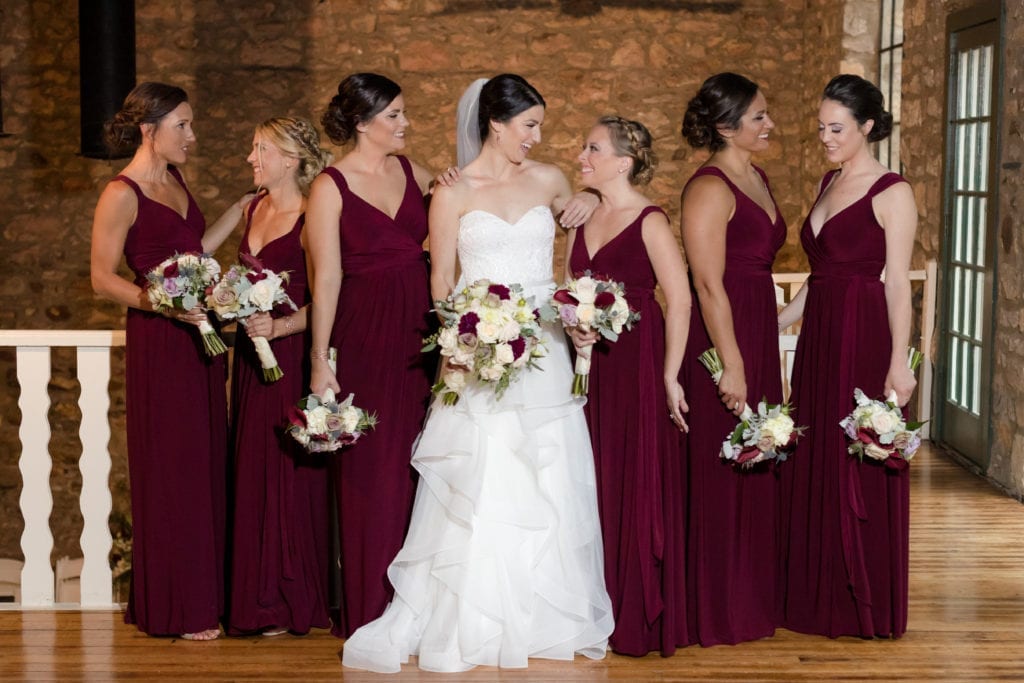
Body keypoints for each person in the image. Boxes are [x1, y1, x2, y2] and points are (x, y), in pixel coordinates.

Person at [342, 74, 613, 673]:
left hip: (543, 345)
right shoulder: (453, 190)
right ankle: (471, 616)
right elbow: (441, 281)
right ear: (496, 123)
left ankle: (545, 614)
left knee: (545, 473)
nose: (538, 138)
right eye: (529, 125)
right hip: (479, 352)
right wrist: (458, 346)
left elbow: (573, 256)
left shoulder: (551, 182)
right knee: (482, 475)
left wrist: (590, 200)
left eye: (539, 124)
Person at [90, 82, 248, 640]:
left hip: (200, 339)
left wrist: (239, 209)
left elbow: (193, 253)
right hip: (161, 341)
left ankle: (205, 596)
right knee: (174, 469)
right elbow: (102, 277)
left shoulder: (176, 179)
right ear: (148, 129)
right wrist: (164, 303)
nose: (192, 136)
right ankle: (179, 609)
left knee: (205, 462)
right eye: (182, 125)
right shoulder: (122, 193)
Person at [778, 75, 917, 639]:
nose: (826, 138)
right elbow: (820, 275)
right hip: (819, 341)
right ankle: (812, 591)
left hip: (863, 336)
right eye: (821, 128)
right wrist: (775, 321)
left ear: (866, 126)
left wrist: (899, 364)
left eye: (837, 129)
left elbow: (898, 286)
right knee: (814, 452)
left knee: (854, 459)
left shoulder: (893, 191)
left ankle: (858, 597)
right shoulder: (827, 180)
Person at [305, 73, 438, 638]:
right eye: (394, 115)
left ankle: (420, 612)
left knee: (419, 468)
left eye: (403, 113)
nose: (405, 124)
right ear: (361, 123)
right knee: (371, 477)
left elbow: (469, 205)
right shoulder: (329, 186)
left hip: (420, 336)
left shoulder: (415, 172)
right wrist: (319, 356)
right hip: (363, 335)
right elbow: (326, 276)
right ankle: (370, 614)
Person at [565, 115, 692, 656]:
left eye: (593, 148)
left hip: (636, 361)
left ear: (624, 161)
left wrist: (669, 375)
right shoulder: (580, 215)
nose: (581, 156)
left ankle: (634, 605)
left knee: (631, 472)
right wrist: (573, 327)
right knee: (587, 474)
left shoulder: (651, 221)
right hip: (586, 363)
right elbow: (567, 288)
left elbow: (680, 299)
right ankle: (591, 602)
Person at [678, 72, 786, 645]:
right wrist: (734, 364)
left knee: (759, 456)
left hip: (758, 330)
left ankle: (752, 597)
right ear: (726, 127)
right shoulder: (709, 187)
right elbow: (707, 283)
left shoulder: (758, 175)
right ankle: (717, 607)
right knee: (723, 466)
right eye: (759, 117)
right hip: (724, 336)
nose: (770, 124)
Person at [226, 117, 333, 637]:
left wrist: (282, 323)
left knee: (291, 476)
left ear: (290, 160)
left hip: (292, 358)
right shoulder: (252, 208)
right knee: (252, 469)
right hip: (250, 363)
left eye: (260, 149)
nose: (251, 159)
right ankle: (255, 596)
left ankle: (291, 599)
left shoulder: (315, 215)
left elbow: (335, 296)